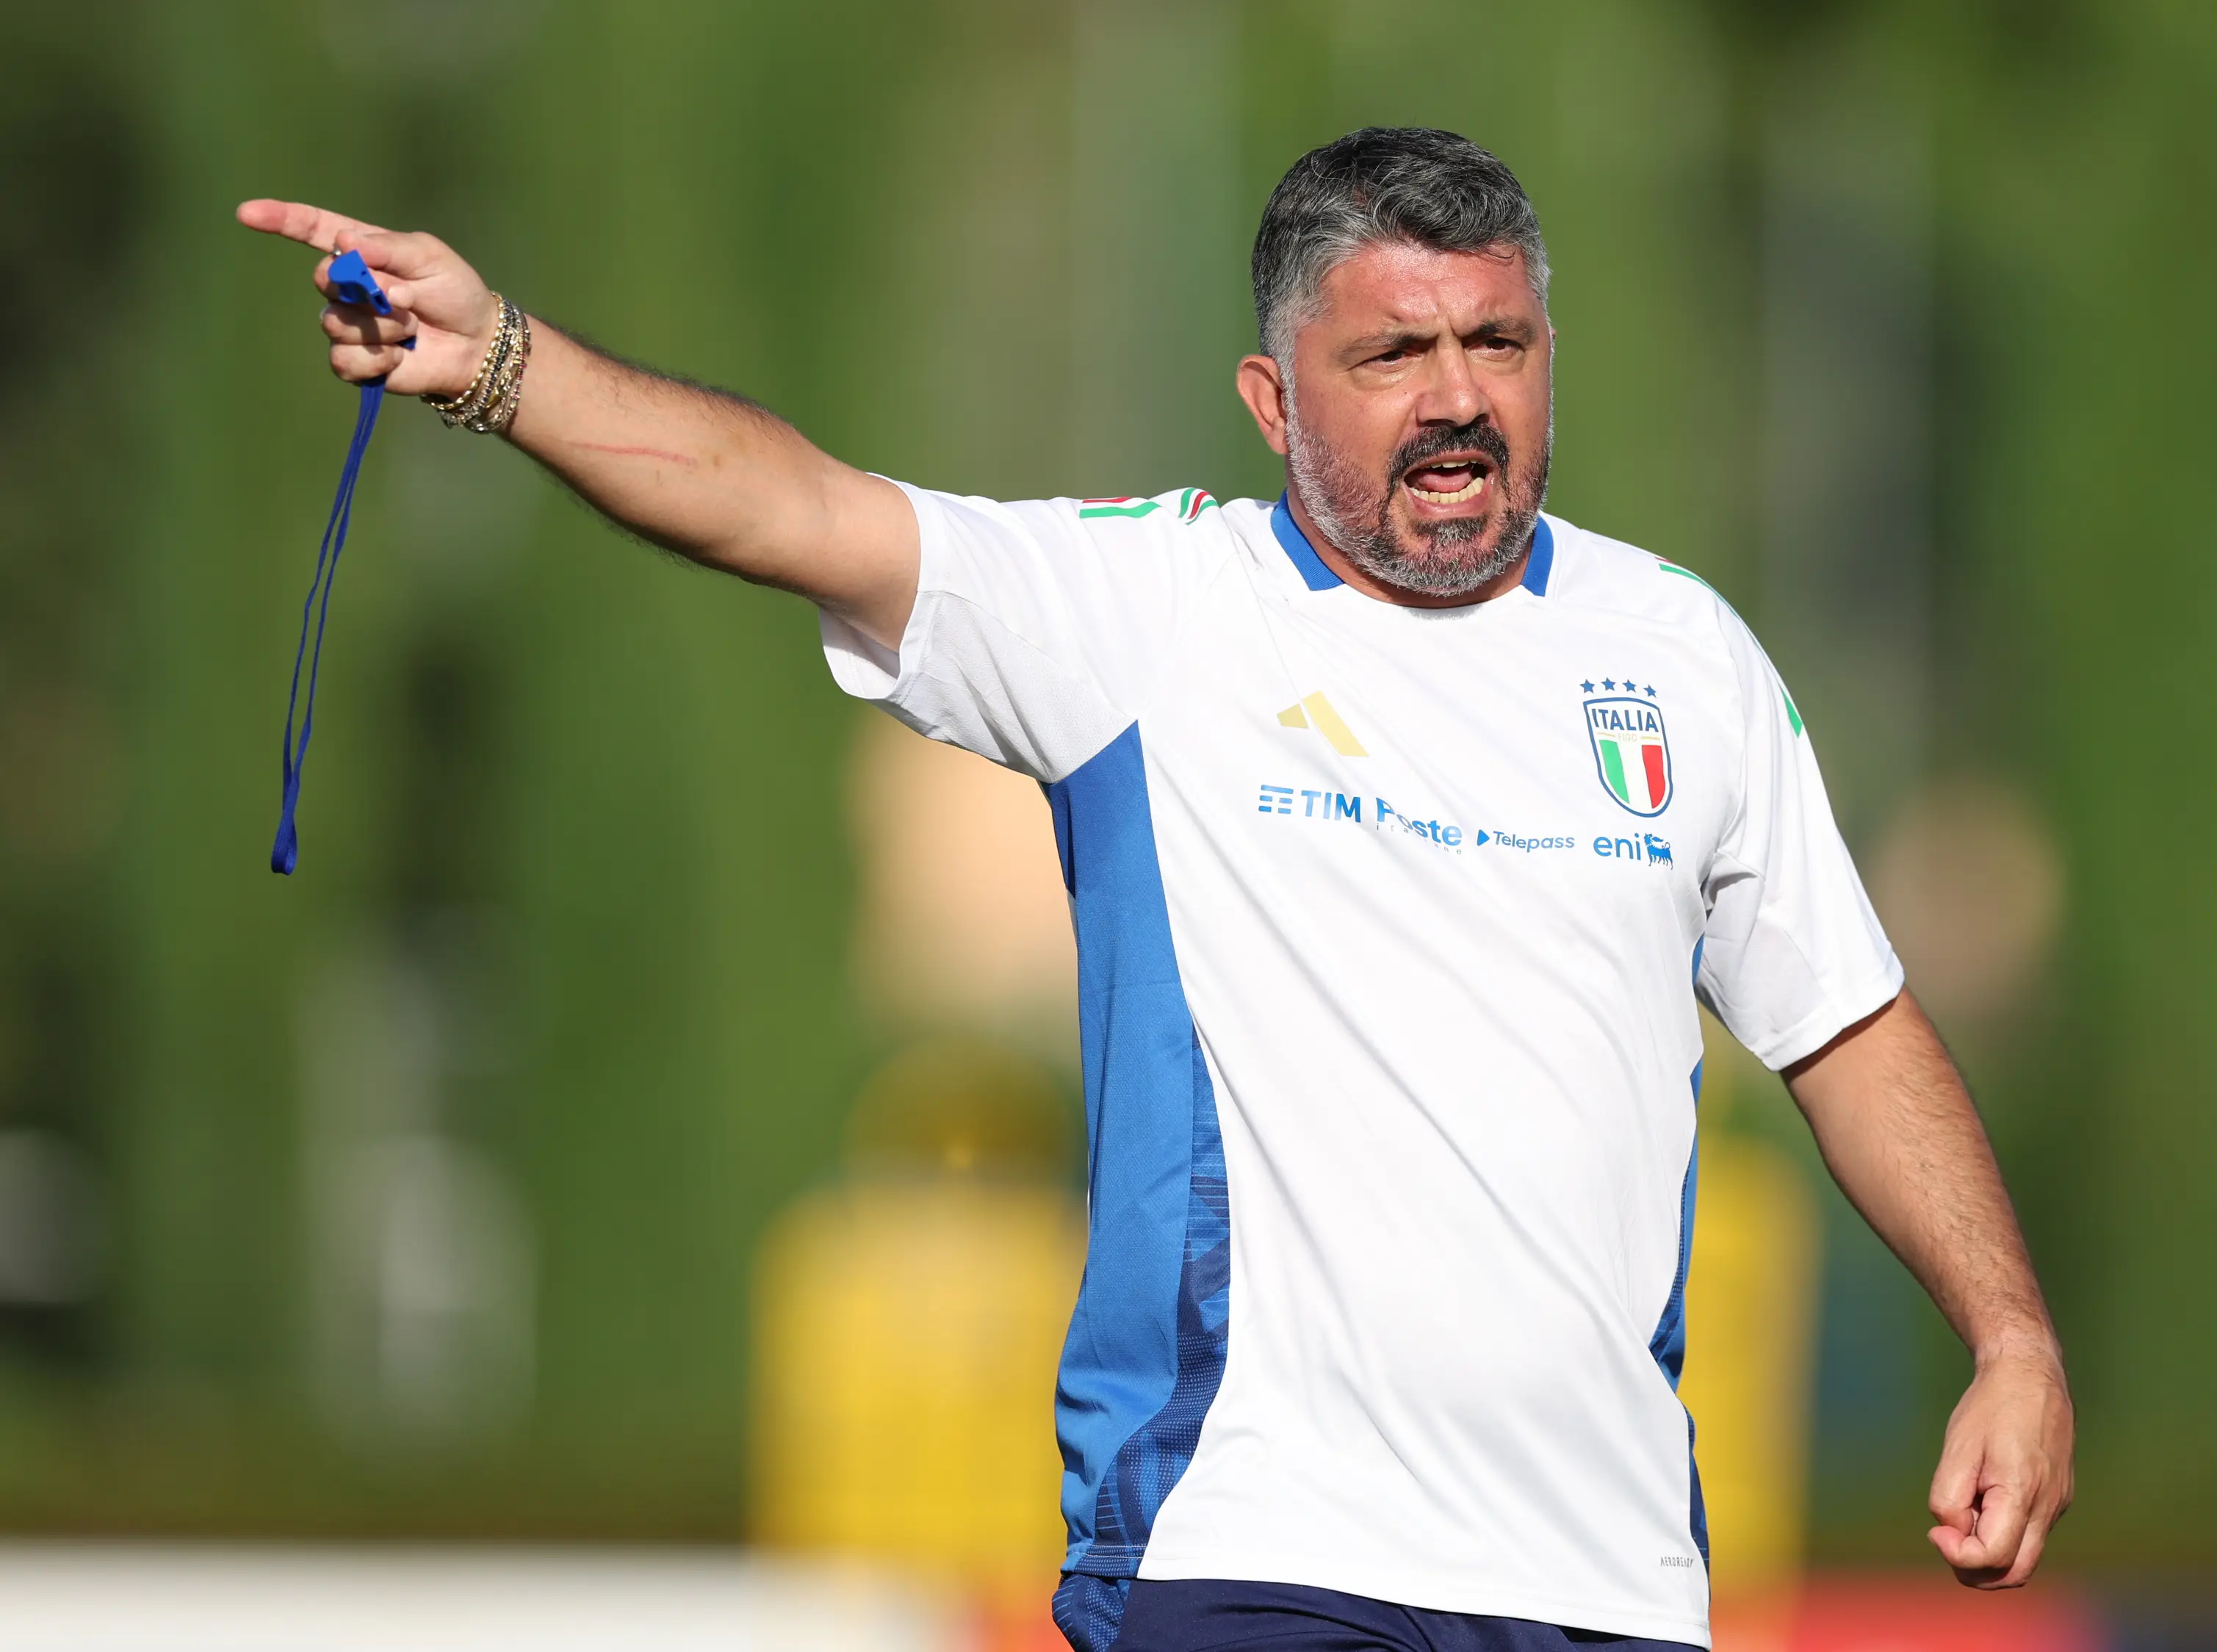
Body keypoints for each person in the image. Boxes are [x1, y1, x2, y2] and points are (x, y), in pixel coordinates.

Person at [239, 126, 2073, 1652]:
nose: (1458, 403)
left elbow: (1846, 1025)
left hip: (1606, 1582)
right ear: (1274, 399)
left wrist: (2008, 1335)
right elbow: (786, 502)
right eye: (1394, 357)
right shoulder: (1146, 615)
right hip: (1247, 1549)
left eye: (1497, 346)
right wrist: (499, 365)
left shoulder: (1681, 655)